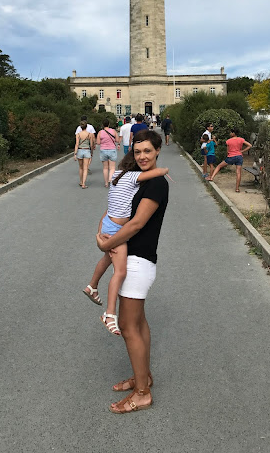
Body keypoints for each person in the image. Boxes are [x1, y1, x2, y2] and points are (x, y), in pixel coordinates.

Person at [96, 129, 169, 413]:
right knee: (139, 324)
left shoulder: (156, 185)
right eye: (137, 152)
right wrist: (102, 235)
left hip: (137, 262)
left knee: (128, 327)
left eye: (148, 151)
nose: (142, 157)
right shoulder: (139, 180)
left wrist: (107, 244)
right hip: (136, 259)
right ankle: (144, 377)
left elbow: (136, 224)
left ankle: (142, 393)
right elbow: (117, 208)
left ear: (158, 151)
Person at [83, 153, 168, 336]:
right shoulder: (132, 176)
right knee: (120, 272)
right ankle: (110, 313)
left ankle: (92, 286)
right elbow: (155, 173)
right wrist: (164, 170)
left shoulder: (116, 175)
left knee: (107, 259)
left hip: (108, 223)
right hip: (116, 230)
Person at [96, 119, 120, 187]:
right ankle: (110, 179)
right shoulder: (113, 131)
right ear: (109, 124)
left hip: (103, 150)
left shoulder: (100, 132)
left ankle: (106, 183)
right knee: (112, 167)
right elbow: (117, 140)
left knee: (105, 168)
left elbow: (98, 142)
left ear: (102, 125)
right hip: (112, 149)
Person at [74, 121, 95, 188]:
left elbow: (77, 144)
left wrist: (75, 153)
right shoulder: (90, 134)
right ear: (86, 127)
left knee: (80, 168)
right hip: (87, 150)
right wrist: (91, 152)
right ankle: (84, 183)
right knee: (85, 168)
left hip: (80, 150)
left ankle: (80, 181)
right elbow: (91, 144)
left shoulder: (78, 134)